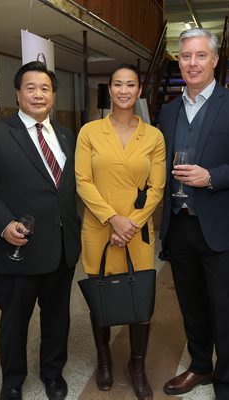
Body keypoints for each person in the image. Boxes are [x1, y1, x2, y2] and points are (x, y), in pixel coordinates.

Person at [159, 28, 229, 399]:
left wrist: (212, 177)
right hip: (179, 225)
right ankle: (200, 366)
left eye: (200, 55)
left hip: (220, 228)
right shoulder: (168, 110)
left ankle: (228, 382)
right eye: (186, 56)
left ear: (214, 60)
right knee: (190, 305)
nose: (192, 63)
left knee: (224, 308)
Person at [0, 61, 81, 400]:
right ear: (17, 93)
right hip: (19, 248)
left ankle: (53, 374)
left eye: (45, 88)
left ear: (53, 95)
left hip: (61, 247)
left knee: (57, 318)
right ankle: (12, 381)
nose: (38, 94)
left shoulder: (65, 135)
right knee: (15, 322)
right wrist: (3, 225)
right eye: (30, 87)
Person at [75, 63, 166, 400]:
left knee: (139, 298)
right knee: (102, 296)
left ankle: (137, 366)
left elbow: (157, 188)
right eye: (118, 84)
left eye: (131, 84)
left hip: (138, 230)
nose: (124, 90)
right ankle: (104, 361)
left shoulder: (153, 136)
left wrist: (130, 224)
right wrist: (113, 219)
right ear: (109, 90)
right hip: (99, 228)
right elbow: (82, 181)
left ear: (139, 90)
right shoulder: (90, 132)